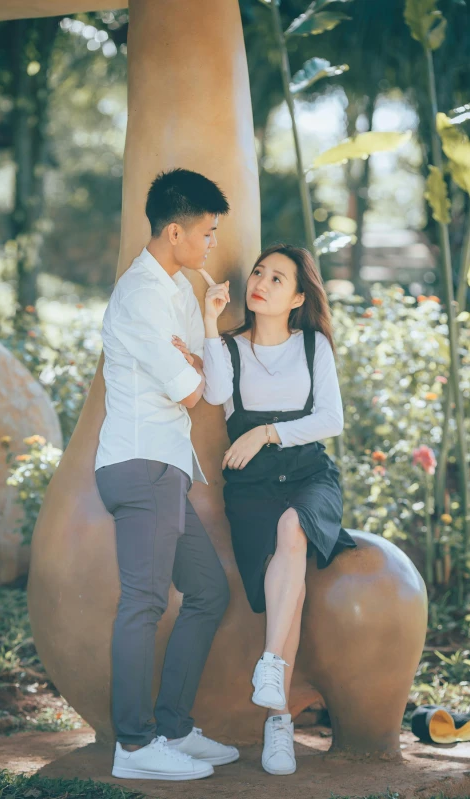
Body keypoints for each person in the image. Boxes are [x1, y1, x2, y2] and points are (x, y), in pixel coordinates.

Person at [182, 243, 357, 776]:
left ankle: (275, 692)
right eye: (259, 272)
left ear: (299, 297)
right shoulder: (231, 348)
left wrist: (266, 431)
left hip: (308, 476)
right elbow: (214, 391)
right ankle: (276, 699)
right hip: (252, 487)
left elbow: (331, 419)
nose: (261, 281)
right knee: (290, 585)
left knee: (293, 529)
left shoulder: (313, 347)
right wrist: (210, 324)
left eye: (278, 278)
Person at [95, 168, 239, 781]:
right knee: (145, 602)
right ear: (175, 230)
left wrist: (204, 327)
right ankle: (133, 746)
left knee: (208, 592)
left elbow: (203, 378)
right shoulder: (143, 295)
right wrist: (192, 370)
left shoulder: (178, 287)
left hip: (166, 470)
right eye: (206, 233)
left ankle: (173, 726)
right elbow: (190, 394)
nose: (212, 244)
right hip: (140, 463)